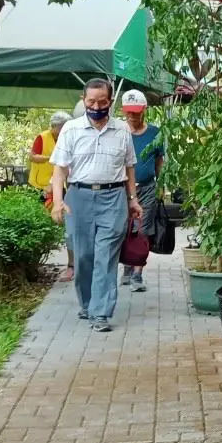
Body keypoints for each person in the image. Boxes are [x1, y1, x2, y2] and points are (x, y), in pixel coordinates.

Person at [49, 78, 143, 333]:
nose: (96, 106)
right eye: (90, 101)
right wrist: (58, 202)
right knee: (84, 257)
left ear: (110, 102)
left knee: (106, 257)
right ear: (83, 100)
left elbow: (129, 167)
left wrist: (132, 199)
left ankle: (100, 312)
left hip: (113, 198)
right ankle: (88, 304)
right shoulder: (71, 129)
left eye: (101, 102)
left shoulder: (122, 129)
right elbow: (59, 172)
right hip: (79, 198)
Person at [120, 89, 163, 292]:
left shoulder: (155, 133)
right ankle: (127, 267)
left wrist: (161, 185)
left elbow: (159, 161)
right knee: (124, 229)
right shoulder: (118, 132)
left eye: (135, 112)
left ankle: (137, 274)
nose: (131, 116)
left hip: (146, 188)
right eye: (128, 112)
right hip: (121, 189)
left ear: (144, 110)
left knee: (143, 230)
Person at [29, 111, 74, 280]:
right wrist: (52, 157)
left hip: (56, 185)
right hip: (39, 184)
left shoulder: (66, 139)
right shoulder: (42, 137)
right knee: (41, 216)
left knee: (58, 218)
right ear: (56, 126)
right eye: (62, 127)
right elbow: (32, 156)